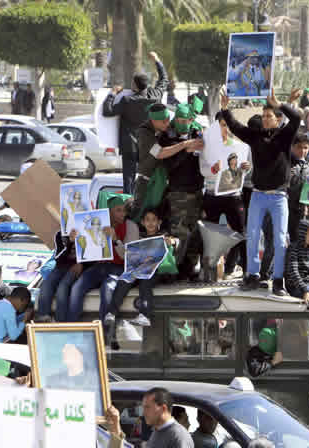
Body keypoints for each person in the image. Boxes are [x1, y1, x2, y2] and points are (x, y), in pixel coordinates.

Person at [220, 88, 302, 295]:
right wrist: (225, 107)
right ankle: (253, 276)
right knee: (253, 235)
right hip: (257, 195)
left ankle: (278, 280)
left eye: (269, 116)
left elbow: (297, 118)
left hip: (278, 197)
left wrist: (280, 103)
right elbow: (235, 126)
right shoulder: (254, 136)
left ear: (277, 119)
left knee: (280, 239)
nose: (265, 119)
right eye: (264, 115)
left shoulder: (284, 136)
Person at [103, 51, 168, 194]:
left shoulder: (127, 101)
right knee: (149, 178)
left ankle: (129, 205)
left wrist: (112, 93)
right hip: (149, 146)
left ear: (134, 86)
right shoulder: (155, 96)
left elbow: (107, 111)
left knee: (129, 180)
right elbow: (164, 80)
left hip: (130, 147)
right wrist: (157, 60)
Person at [104, 208, 174, 328]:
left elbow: (176, 241)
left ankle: (144, 315)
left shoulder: (163, 236)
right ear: (142, 222)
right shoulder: (139, 237)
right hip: (140, 269)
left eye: (154, 220)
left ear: (159, 222)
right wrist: (116, 241)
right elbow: (128, 252)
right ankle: (112, 313)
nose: (150, 223)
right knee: (124, 279)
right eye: (147, 220)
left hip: (158, 271)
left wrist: (172, 242)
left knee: (145, 282)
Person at [200, 112, 250, 277]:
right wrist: (212, 169)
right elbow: (203, 170)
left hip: (233, 196)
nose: (225, 128)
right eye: (222, 124)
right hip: (212, 196)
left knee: (241, 233)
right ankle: (208, 272)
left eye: (228, 124)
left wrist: (245, 168)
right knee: (209, 236)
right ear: (215, 126)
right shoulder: (206, 145)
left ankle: (247, 271)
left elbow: (243, 172)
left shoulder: (240, 146)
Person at [66, 197, 132, 322]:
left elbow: (129, 256)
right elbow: (88, 250)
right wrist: (76, 240)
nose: (123, 214)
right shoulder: (99, 224)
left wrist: (116, 240)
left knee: (107, 289)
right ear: (109, 212)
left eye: (124, 211)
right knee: (77, 288)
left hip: (119, 268)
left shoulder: (130, 226)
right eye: (118, 210)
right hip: (100, 267)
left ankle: (104, 334)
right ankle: (72, 327)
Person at [159, 103, 205, 280]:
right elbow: (169, 165)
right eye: (178, 119)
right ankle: (173, 269)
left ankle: (190, 268)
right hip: (178, 193)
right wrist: (186, 150)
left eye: (185, 120)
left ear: (191, 120)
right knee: (179, 233)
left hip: (197, 191)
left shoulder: (197, 133)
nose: (181, 123)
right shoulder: (167, 137)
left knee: (195, 233)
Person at [107, 388, 194, 448]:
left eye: (147, 407)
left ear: (163, 408)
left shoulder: (178, 436)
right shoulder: (158, 431)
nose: (143, 413)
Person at [37, 229, 84, 322]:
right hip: (61, 266)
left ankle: (60, 320)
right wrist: (70, 242)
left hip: (78, 267)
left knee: (63, 287)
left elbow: (92, 255)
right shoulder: (59, 234)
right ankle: (43, 318)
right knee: (46, 284)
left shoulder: (86, 232)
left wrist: (83, 264)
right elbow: (58, 258)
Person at [287, 133, 309, 241]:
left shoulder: (308, 166)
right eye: (299, 147)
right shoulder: (287, 163)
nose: (302, 151)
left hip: (302, 211)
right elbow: (291, 183)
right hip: (288, 208)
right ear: (292, 147)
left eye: (305, 148)